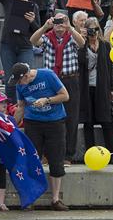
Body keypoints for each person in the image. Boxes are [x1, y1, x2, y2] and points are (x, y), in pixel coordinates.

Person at [12, 63, 70, 211]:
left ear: (26, 76)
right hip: (33, 123)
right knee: (32, 160)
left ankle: (56, 199)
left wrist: (47, 100)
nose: (19, 85)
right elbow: (21, 107)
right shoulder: (20, 86)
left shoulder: (47, 75)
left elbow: (65, 95)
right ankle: (31, 197)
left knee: (56, 160)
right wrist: (11, 125)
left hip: (55, 121)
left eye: (20, 81)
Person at [30, 12, 86, 164]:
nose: (60, 26)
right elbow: (33, 40)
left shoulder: (72, 36)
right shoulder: (47, 38)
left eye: (62, 22)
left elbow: (81, 43)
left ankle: (68, 154)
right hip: (51, 80)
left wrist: (70, 28)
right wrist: (44, 27)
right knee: (50, 118)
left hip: (70, 79)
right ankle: (48, 154)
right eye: (57, 23)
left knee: (71, 118)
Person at [79, 17, 113, 153]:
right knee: (88, 122)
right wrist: (83, 43)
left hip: (102, 86)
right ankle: (91, 153)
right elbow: (81, 63)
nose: (93, 32)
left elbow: (110, 68)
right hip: (86, 87)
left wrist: (112, 89)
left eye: (95, 29)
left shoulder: (105, 45)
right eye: (90, 29)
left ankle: (111, 153)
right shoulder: (82, 44)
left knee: (106, 120)